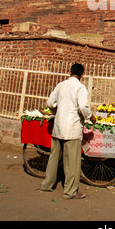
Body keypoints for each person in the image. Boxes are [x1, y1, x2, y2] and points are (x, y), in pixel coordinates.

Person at [41, 63, 92, 199]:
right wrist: (89, 116)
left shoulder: (60, 85)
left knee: (53, 157)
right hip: (72, 127)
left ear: (69, 72)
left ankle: (47, 184)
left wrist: (56, 111)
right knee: (72, 162)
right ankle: (70, 191)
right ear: (82, 75)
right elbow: (83, 106)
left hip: (58, 126)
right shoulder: (80, 87)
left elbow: (50, 103)